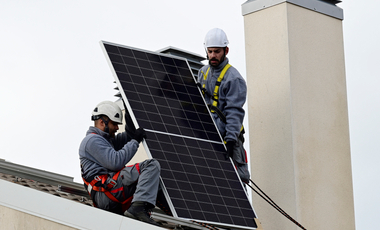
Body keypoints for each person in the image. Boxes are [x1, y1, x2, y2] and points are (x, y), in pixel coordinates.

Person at [79, 100, 161, 226]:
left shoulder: (107, 141)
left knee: (153, 179)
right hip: (106, 193)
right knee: (150, 166)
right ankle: (137, 209)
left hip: (110, 192)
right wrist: (135, 142)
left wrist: (129, 108)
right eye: (114, 124)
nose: (117, 128)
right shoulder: (92, 141)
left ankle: (144, 208)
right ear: (102, 122)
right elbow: (115, 162)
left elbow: (129, 135)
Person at [197, 28, 250, 184]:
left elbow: (234, 112)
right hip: (207, 134)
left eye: (217, 51)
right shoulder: (203, 72)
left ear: (226, 50)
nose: (213, 55)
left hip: (228, 137)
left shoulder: (234, 79)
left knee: (236, 181)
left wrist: (230, 141)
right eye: (210, 51)